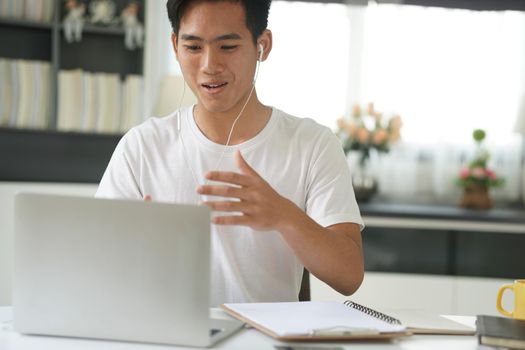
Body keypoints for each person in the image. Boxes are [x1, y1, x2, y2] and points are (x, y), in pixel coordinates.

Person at [96, 0, 364, 306]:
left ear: (262, 45)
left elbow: (349, 277)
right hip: (169, 336)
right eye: (194, 47)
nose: (210, 65)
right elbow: (96, 270)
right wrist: (132, 248)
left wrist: (284, 215)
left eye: (227, 47)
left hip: (264, 340)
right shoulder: (142, 147)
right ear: (175, 45)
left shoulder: (312, 145)